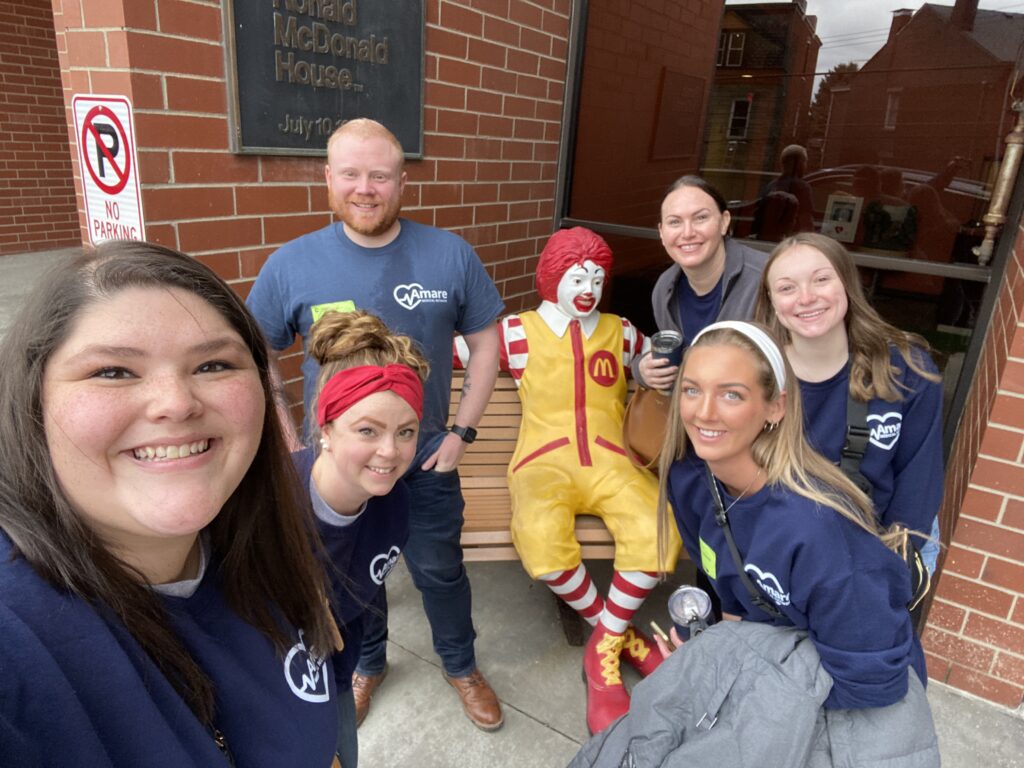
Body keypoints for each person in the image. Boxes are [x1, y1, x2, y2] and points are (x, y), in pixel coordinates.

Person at [0, 241, 343, 767]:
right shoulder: (17, 641)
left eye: (213, 364)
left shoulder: (267, 545)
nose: (177, 403)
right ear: (31, 404)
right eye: (113, 371)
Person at [574, 321, 935, 767]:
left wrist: (736, 679)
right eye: (691, 390)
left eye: (732, 395)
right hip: (771, 683)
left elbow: (872, 681)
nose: (704, 412)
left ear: (775, 407)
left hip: (845, 718)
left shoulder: (819, 529)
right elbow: (734, 600)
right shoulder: (691, 481)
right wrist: (711, 656)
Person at [246, 118, 506, 730]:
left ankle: (461, 664)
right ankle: (368, 664)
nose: (365, 188)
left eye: (380, 176)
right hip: (336, 469)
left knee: (440, 570)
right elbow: (256, 353)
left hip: (424, 460)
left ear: (402, 182)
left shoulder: (449, 254)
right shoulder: (291, 264)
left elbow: (486, 344)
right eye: (351, 174)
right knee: (353, 577)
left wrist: (462, 435)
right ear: (328, 179)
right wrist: (288, 437)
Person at [455, 227, 682, 734]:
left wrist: (650, 369)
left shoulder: (622, 332)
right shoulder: (516, 332)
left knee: (658, 525)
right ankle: (621, 635)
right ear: (552, 277)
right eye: (578, 278)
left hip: (614, 460)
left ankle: (602, 648)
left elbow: (652, 361)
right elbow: (449, 352)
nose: (589, 289)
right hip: (544, 462)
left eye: (597, 279)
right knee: (539, 535)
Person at [753, 233, 943, 596]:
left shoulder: (906, 370)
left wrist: (883, 576)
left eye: (821, 279)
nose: (806, 297)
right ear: (772, 302)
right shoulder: (755, 374)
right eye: (787, 287)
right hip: (781, 550)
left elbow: (918, 486)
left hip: (877, 549)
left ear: (847, 285)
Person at [296, 310, 428, 767]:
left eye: (405, 432)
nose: (389, 452)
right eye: (367, 430)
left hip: (334, 674)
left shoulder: (394, 504)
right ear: (326, 428)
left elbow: (360, 599)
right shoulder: (268, 513)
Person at [633, 175, 767, 392]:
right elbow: (680, 366)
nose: (687, 233)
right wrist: (642, 370)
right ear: (662, 233)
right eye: (675, 222)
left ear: (724, 222)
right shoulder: (664, 289)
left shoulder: (768, 279)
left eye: (700, 218)